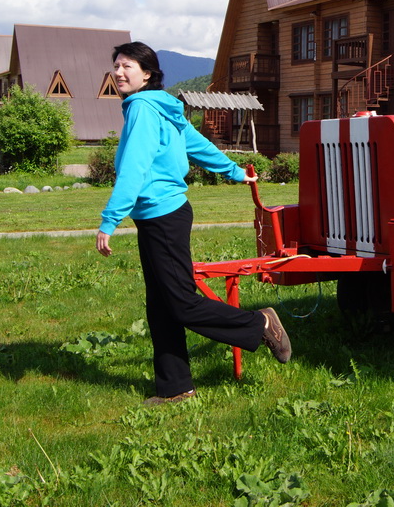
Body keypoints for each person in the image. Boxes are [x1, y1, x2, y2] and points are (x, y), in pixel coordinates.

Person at [96, 41, 290, 406]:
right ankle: (175, 388)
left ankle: (259, 324)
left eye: (128, 67)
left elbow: (135, 167)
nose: (119, 73)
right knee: (161, 306)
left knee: (181, 303)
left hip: (162, 216)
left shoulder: (141, 108)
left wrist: (109, 220)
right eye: (117, 66)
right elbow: (195, 143)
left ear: (147, 73)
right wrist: (233, 171)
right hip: (160, 214)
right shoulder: (162, 107)